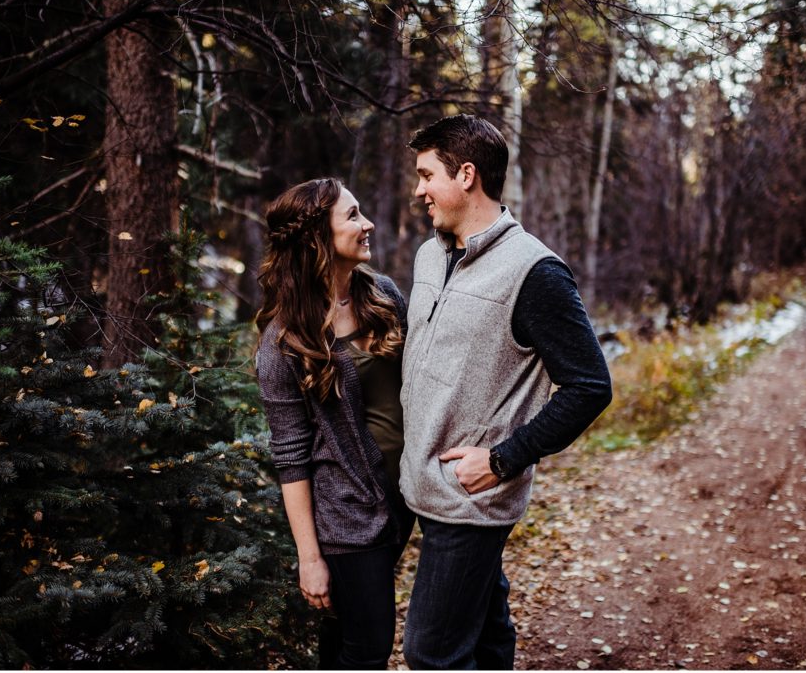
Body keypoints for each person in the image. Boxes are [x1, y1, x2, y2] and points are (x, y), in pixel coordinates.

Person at [399, 114, 613, 669]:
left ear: (465, 175)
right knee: (487, 636)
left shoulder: (535, 271)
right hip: (426, 486)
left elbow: (589, 387)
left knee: (431, 653)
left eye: (427, 175)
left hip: (470, 498)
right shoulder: (429, 255)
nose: (418, 189)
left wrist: (502, 459)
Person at [255, 177, 413, 669]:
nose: (367, 225)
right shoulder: (284, 341)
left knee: (343, 639)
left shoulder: (382, 293)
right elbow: (291, 457)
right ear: (317, 239)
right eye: (352, 216)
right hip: (346, 513)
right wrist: (310, 558)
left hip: (402, 496)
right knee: (368, 647)